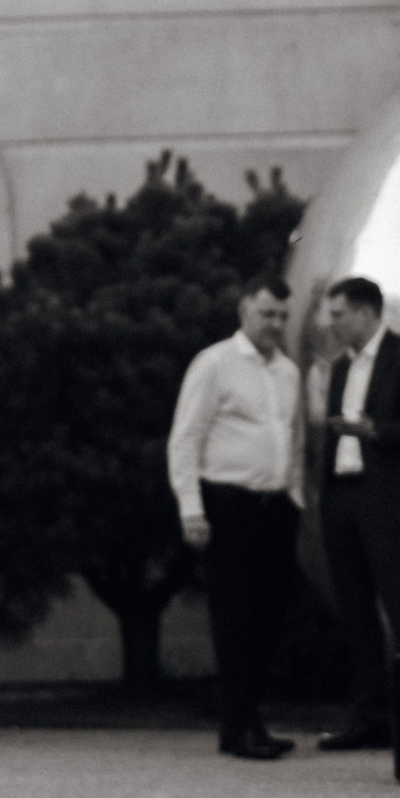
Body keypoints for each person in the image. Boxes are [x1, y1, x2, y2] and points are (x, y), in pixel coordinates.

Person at [168, 276, 305, 761]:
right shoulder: (214, 364)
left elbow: (293, 438)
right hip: (228, 504)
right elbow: (186, 437)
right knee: (234, 619)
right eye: (267, 313)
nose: (276, 324)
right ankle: (235, 728)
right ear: (245, 309)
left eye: (283, 316)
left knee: (268, 619)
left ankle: (254, 720)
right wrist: (191, 508)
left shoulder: (287, 372)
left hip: (275, 507)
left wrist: (295, 497)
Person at [314, 277, 400, 751]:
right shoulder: (339, 369)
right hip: (342, 499)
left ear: (367, 313)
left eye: (339, 314)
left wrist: (376, 431)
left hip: (387, 501)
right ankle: (369, 718)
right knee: (354, 614)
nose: (332, 324)